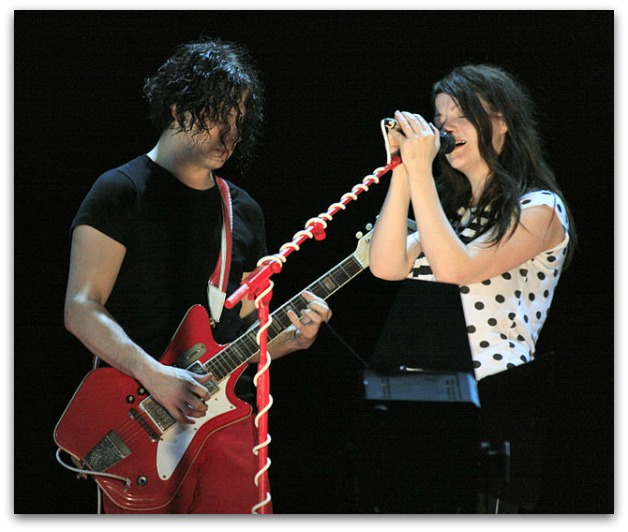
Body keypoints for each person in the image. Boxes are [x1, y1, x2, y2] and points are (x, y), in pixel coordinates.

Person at [63, 38, 332, 514]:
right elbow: (81, 307)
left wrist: (288, 340)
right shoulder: (119, 191)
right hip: (140, 423)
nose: (230, 135)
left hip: (227, 429)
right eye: (216, 115)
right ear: (176, 106)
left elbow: (238, 342)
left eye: (239, 121)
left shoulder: (243, 211)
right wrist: (156, 375)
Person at [369, 64, 575, 383]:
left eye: (461, 115)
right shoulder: (452, 214)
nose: (446, 128)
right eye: (440, 119)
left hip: (492, 386)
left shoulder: (541, 208)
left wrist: (421, 171)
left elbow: (456, 271)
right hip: (424, 386)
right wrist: (403, 168)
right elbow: (385, 266)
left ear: (502, 122)